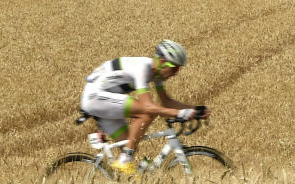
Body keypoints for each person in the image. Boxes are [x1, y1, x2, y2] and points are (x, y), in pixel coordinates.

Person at [80, 40, 211, 175]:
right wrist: (180, 113)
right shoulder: (142, 68)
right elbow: (148, 106)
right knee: (147, 113)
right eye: (174, 68)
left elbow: (166, 102)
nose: (175, 73)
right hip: (95, 97)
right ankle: (124, 160)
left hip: (105, 100)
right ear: (161, 61)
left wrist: (195, 110)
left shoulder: (156, 74)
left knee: (129, 144)